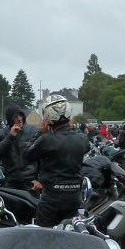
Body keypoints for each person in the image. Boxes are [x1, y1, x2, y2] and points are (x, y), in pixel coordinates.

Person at [24, 95, 90, 227]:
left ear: (48, 117)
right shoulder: (82, 139)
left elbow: (27, 155)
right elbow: (81, 144)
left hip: (52, 198)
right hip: (74, 196)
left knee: (46, 238)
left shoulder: (46, 140)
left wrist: (40, 133)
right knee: (71, 235)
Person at [0, 104, 38, 188]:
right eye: (15, 117)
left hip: (31, 182)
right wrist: (10, 136)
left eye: (21, 115)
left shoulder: (33, 131)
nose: (19, 119)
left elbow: (44, 156)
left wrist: (40, 180)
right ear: (10, 119)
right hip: (10, 182)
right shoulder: (1, 133)